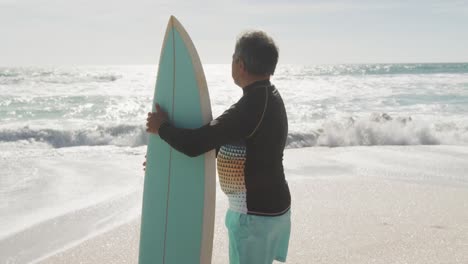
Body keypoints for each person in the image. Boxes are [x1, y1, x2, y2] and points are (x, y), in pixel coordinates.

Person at [145, 30, 291, 264]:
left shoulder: (250, 106)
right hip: (269, 211)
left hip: (254, 217)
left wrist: (161, 127)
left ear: (240, 64)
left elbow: (196, 143)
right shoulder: (268, 97)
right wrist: (164, 161)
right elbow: (225, 147)